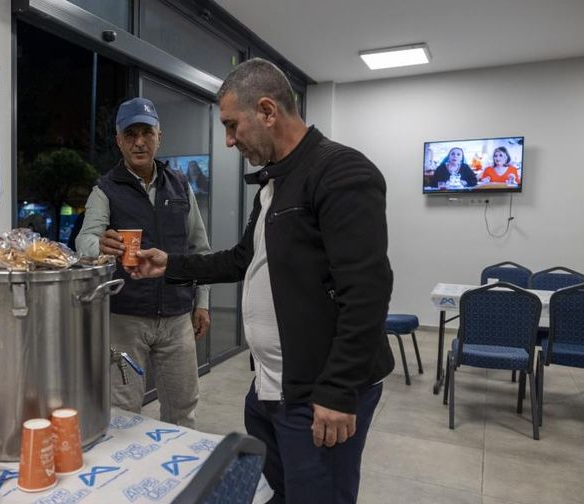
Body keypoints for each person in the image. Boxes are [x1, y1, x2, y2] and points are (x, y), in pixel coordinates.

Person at [127, 58, 394, 504]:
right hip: (272, 388)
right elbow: (242, 260)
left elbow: (367, 292)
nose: (229, 140)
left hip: (317, 395)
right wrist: (169, 265)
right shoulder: (273, 184)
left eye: (233, 126)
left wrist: (338, 390)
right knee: (276, 493)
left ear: (267, 111)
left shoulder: (342, 172)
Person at [75, 97, 212, 428]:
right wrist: (100, 245)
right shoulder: (105, 189)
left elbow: (200, 249)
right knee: (122, 409)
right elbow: (84, 241)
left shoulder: (181, 186)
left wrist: (202, 303)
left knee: (183, 407)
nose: (139, 141)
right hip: (125, 320)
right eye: (131, 133)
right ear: (119, 140)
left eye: (146, 132)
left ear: (159, 137)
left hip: (178, 316)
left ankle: (178, 477)